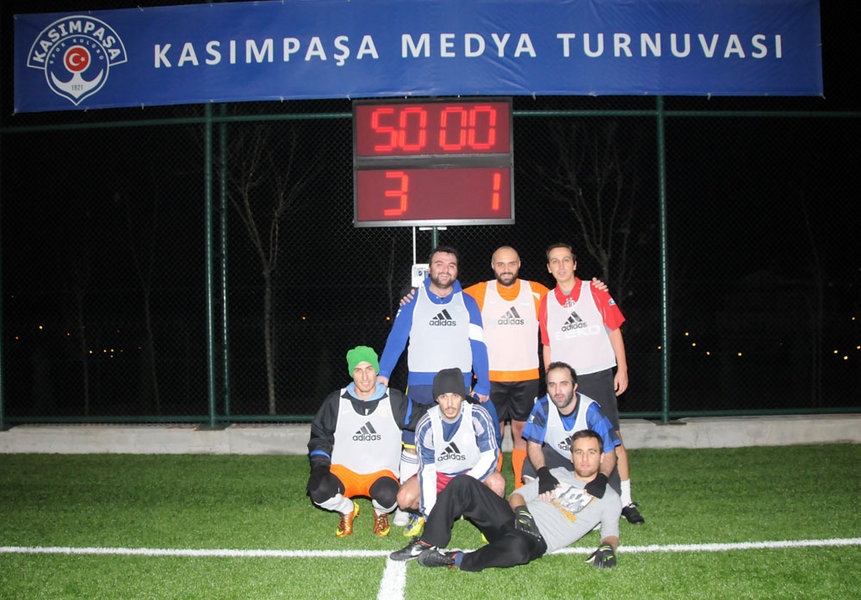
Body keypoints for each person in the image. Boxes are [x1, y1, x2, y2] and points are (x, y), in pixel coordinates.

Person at [377, 246, 499, 532]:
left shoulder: (467, 302)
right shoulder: (413, 300)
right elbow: (397, 338)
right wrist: (383, 373)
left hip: (459, 385)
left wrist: (483, 381)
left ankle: (466, 498)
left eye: (451, 265)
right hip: (421, 383)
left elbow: (478, 344)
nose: (445, 269)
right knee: (412, 444)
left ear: (457, 270)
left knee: (460, 442)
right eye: (439, 264)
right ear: (429, 269)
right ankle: (408, 508)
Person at [390, 429, 621, 571]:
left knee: (518, 551)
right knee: (463, 483)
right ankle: (429, 541)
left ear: (602, 457)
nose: (584, 458)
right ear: (571, 456)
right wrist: (522, 512)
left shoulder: (609, 497)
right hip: (512, 519)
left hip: (535, 540)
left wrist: (607, 547)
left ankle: (455, 559)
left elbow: (610, 532)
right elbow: (517, 495)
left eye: (591, 452)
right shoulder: (558, 473)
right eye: (579, 452)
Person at [539, 243, 644, 524]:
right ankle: (583, 499)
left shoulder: (595, 291)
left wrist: (622, 368)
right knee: (574, 442)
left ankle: (626, 500)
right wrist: (551, 381)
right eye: (554, 261)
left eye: (566, 260)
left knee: (612, 438)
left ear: (575, 264)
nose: (561, 266)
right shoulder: (546, 301)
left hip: (597, 375)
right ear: (548, 268)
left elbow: (614, 330)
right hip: (566, 383)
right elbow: (547, 345)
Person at [306, 346, 425, 537]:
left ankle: (381, 513)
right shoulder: (336, 400)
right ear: (351, 373)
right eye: (358, 370)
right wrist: (320, 467)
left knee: (389, 496)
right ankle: (347, 509)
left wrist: (452, 405)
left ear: (376, 370)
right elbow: (319, 435)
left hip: (381, 473)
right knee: (318, 489)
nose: (364, 376)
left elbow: (424, 417)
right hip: (344, 472)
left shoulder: (394, 400)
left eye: (369, 369)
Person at [462, 246, 549, 488]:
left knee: (522, 432)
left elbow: (565, 299)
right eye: (500, 264)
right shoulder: (480, 291)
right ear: (493, 266)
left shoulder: (536, 291)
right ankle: (493, 485)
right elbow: (445, 293)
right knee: (493, 433)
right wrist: (414, 293)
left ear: (519, 264)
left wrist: (596, 288)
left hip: (527, 375)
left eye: (511, 263)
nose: (506, 269)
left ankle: (523, 488)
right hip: (490, 378)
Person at [395, 367, 505, 537]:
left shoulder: (477, 415)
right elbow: (427, 471)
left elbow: (490, 456)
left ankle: (489, 521)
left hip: (470, 472)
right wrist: (432, 516)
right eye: (443, 397)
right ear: (437, 398)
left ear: (462, 396)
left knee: (497, 484)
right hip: (440, 474)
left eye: (455, 396)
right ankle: (422, 515)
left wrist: (464, 485)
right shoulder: (427, 423)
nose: (450, 403)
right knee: (404, 498)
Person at [521, 362, 619, 499]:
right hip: (559, 456)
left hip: (587, 459)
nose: (557, 391)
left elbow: (609, 452)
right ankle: (539, 501)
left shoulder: (591, 411)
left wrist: (601, 479)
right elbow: (533, 445)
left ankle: (624, 502)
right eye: (552, 385)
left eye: (564, 384)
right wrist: (543, 474)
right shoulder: (542, 407)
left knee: (611, 496)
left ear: (574, 386)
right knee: (529, 466)